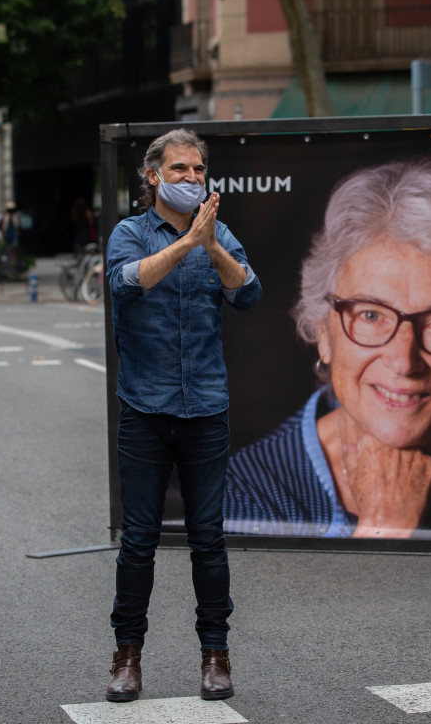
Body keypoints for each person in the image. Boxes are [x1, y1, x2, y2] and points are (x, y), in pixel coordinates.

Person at [224, 156, 431, 541]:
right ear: (323, 333)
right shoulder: (241, 496)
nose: (404, 361)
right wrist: (386, 527)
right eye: (370, 315)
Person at [104, 128, 262, 703]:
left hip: (206, 409)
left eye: (198, 170)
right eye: (179, 170)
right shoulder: (129, 234)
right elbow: (125, 283)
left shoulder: (217, 234)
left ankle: (215, 656)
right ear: (153, 177)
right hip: (145, 409)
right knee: (139, 542)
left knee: (208, 541)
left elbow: (248, 293)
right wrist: (185, 244)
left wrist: (211, 244)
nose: (192, 178)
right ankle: (126, 657)